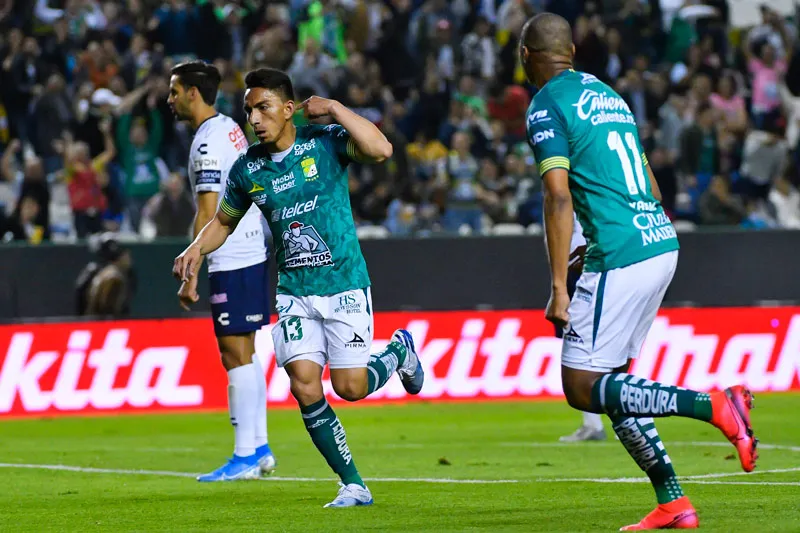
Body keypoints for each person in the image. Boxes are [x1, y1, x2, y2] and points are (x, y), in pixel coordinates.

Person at [519, 13, 757, 531]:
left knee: (581, 387)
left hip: (620, 250)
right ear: (573, 49)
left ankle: (714, 404)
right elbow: (649, 179)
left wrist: (560, 286)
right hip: (657, 238)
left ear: (526, 56)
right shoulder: (610, 96)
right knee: (616, 384)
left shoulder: (546, 105)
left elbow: (556, 195)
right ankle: (673, 502)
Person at [172, 68, 425, 507]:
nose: (254, 118)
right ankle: (352, 484)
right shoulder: (248, 168)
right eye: (249, 109)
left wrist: (336, 109)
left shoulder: (323, 141)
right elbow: (224, 222)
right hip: (293, 292)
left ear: (289, 110)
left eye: (264, 107)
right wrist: (196, 249)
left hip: (344, 282)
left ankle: (398, 351)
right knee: (305, 385)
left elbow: (381, 149)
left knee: (350, 387)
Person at [167, 60, 275, 482]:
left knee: (234, 353)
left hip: (234, 254)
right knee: (244, 352)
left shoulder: (208, 142)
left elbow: (209, 211)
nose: (169, 99)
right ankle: (260, 448)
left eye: (175, 91)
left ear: (194, 93)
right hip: (249, 248)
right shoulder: (228, 126)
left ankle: (245, 454)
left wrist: (192, 268)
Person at [548, 213, 606, 442]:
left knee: (581, 343)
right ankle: (593, 422)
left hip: (579, 265)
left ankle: (599, 421)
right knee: (582, 342)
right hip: (573, 266)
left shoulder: (565, 185)